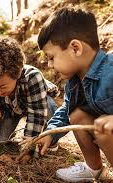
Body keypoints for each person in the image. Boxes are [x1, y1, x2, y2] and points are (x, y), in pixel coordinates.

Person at [37, 7, 113, 182]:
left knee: (104, 128)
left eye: (51, 57)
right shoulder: (74, 82)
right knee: (77, 115)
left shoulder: (110, 70)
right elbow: (65, 110)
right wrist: (51, 132)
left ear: (75, 48)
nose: (49, 65)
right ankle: (94, 169)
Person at [0, 35, 59, 159]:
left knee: (49, 106)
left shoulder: (33, 78)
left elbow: (37, 114)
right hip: (10, 111)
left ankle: (51, 140)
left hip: (36, 104)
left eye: (2, 87)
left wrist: (28, 150)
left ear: (18, 73)